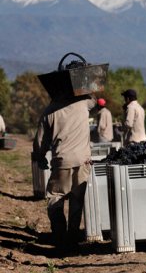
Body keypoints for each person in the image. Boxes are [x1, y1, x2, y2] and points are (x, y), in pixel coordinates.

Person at [33, 94, 96, 254]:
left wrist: (40, 157)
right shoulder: (83, 103)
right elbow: (94, 100)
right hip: (83, 161)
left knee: (55, 197)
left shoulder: (50, 111)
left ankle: (60, 238)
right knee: (76, 201)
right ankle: (73, 239)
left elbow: (40, 141)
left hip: (62, 161)